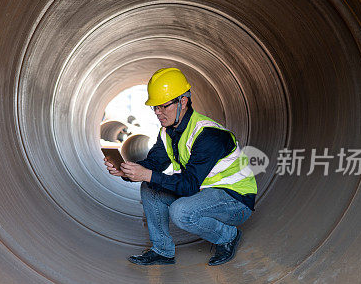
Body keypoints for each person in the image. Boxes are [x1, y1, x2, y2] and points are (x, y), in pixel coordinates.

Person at [104, 67, 257, 266]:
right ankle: (163, 250)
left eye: (163, 106)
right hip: (205, 192)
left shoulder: (208, 135)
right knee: (150, 188)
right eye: (155, 108)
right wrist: (125, 170)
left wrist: (148, 174)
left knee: (181, 212)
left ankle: (228, 236)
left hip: (234, 200)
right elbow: (152, 164)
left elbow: (189, 185)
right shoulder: (168, 133)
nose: (158, 112)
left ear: (182, 102)